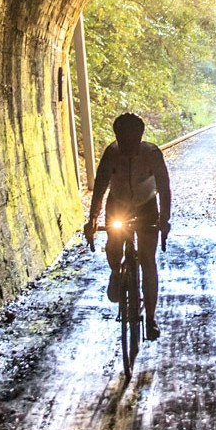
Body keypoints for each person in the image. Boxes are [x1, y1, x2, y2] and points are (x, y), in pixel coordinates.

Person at [85, 112, 172, 340]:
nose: (126, 146)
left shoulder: (152, 154)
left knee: (147, 260)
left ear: (140, 138)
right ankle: (116, 271)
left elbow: (164, 187)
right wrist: (92, 218)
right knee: (113, 244)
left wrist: (164, 219)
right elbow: (100, 187)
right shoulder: (111, 154)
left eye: (131, 141)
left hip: (146, 204)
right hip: (119, 204)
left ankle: (151, 319)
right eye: (122, 140)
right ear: (117, 137)